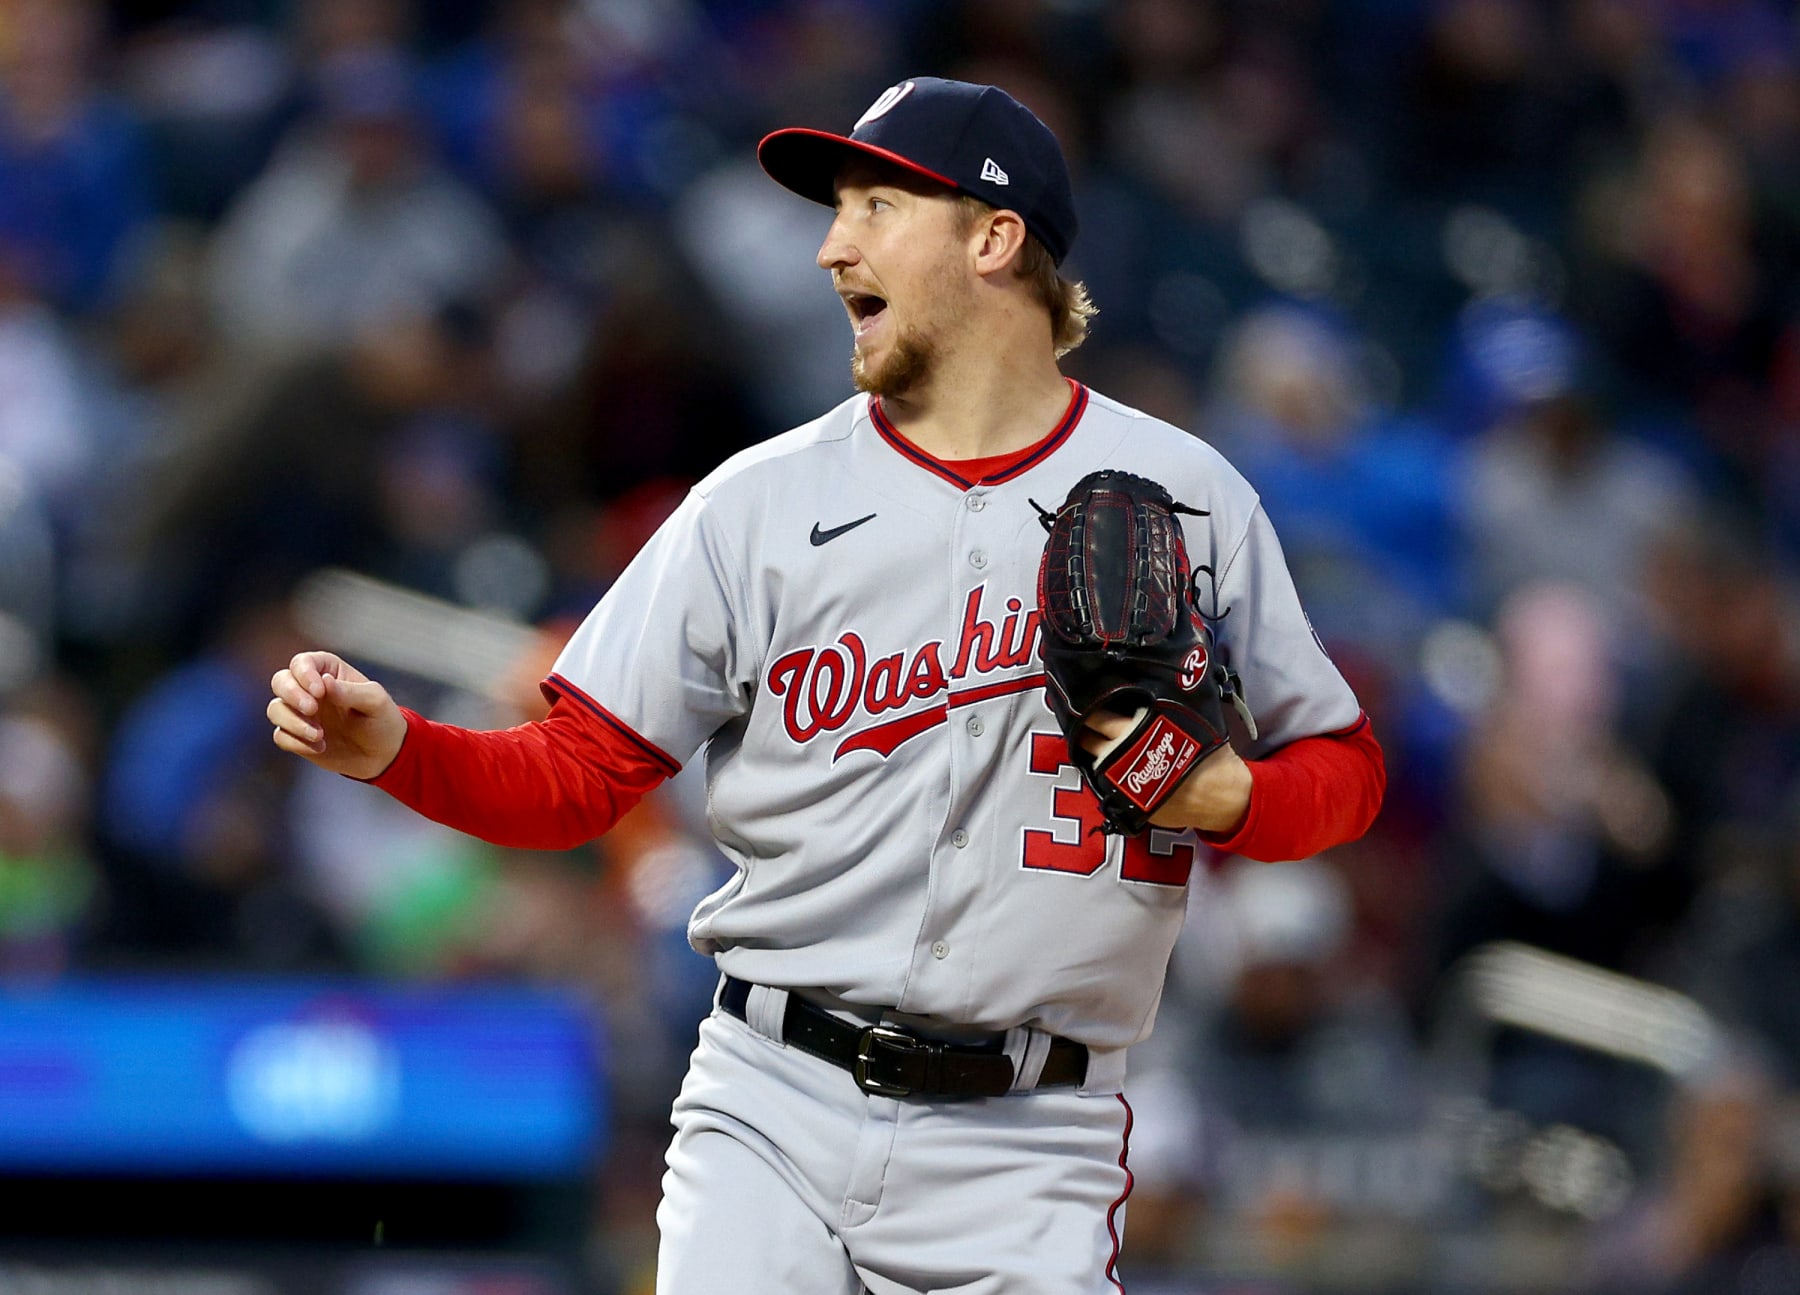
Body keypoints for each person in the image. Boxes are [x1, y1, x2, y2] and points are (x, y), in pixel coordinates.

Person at [268, 76, 1386, 1294]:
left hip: (1034, 1133)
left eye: (873, 205)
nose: (829, 244)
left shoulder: (1188, 495)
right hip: (772, 1095)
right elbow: (579, 776)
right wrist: (400, 750)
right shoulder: (756, 503)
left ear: (993, 237)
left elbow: (1348, 768)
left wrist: (1234, 800)